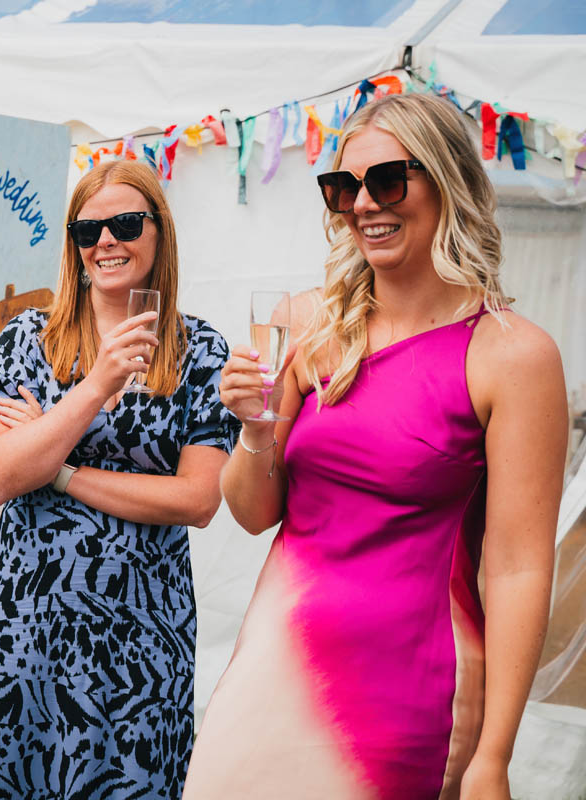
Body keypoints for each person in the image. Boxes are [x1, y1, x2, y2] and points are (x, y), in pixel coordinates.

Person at [183, 93, 567, 799]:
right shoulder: (304, 322)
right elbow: (253, 512)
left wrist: (494, 755)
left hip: (405, 693)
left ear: (447, 181)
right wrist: (255, 427)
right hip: (276, 660)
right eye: (342, 188)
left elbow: (516, 569)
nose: (363, 204)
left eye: (387, 181)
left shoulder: (513, 357)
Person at [0, 160, 239, 799]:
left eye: (126, 223)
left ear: (159, 234)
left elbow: (195, 499)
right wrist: (98, 385)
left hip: (139, 643)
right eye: (88, 230)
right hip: (23, 629)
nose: (106, 241)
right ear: (75, 247)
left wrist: (57, 468)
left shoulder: (201, 352)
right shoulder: (28, 339)